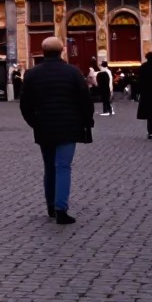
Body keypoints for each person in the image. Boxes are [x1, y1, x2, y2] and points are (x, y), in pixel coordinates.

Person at [19, 36, 93, 225]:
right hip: (69, 127)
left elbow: (25, 105)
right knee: (63, 167)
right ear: (62, 51)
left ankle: (51, 206)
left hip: (44, 127)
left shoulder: (32, 74)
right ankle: (61, 209)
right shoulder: (73, 73)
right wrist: (86, 122)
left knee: (49, 167)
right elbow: (85, 100)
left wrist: (34, 123)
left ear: (43, 52)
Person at [137, 52, 152, 138]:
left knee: (149, 115)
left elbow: (139, 81)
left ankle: (150, 132)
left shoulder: (143, 67)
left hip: (147, 94)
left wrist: (138, 92)